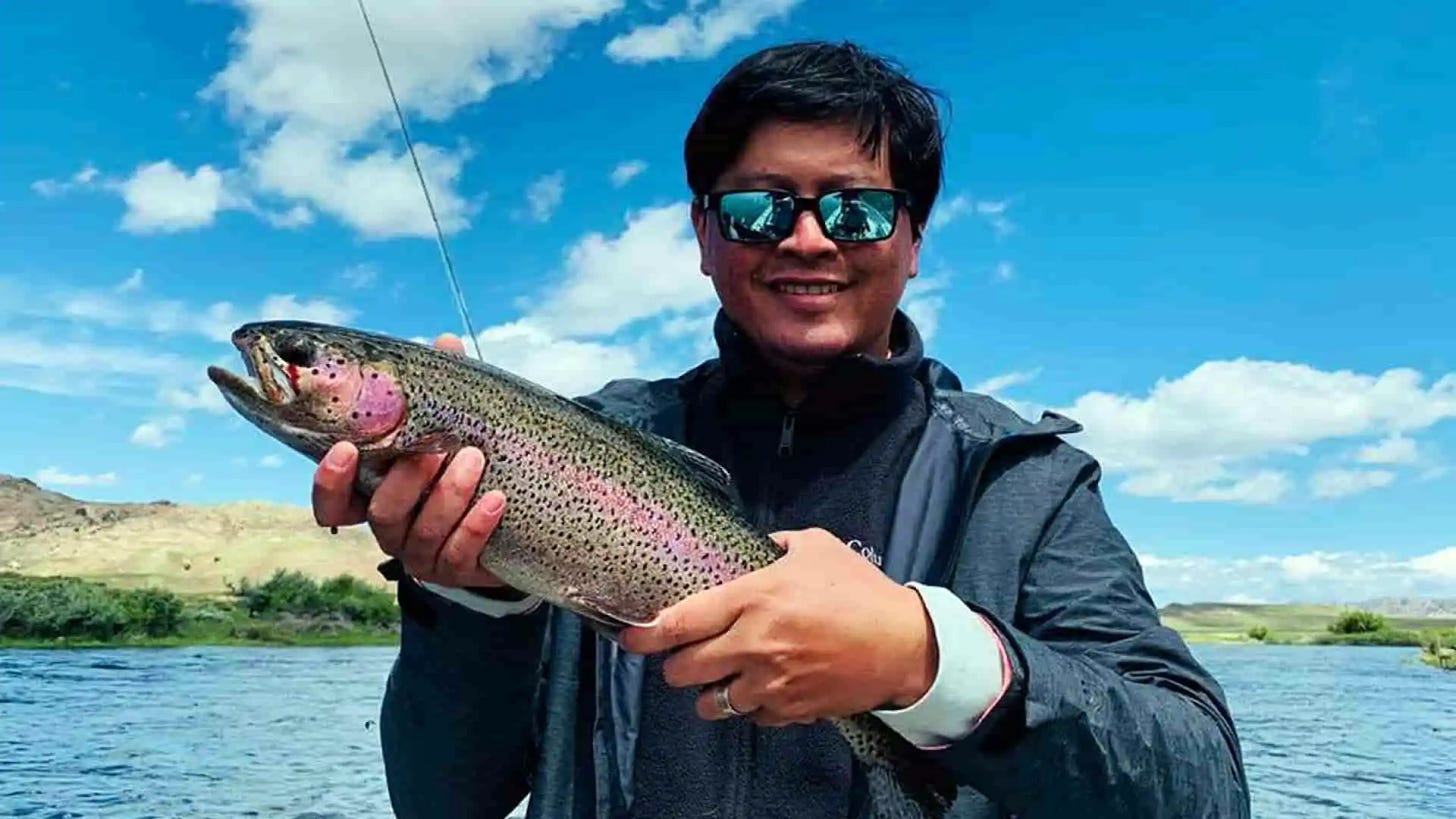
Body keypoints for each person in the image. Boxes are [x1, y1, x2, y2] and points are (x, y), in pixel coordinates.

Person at [311, 40, 1251, 819]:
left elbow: (1203, 787)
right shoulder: (585, 446)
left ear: (914, 242)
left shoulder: (1024, 482)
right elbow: (441, 798)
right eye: (759, 208)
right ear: (704, 235)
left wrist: (926, 659)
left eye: (857, 208)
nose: (807, 238)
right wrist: (475, 603)